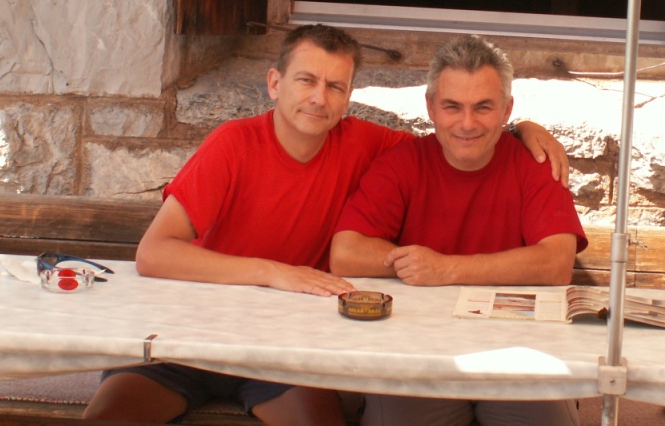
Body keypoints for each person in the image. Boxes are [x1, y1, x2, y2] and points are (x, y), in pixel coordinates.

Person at [82, 24, 569, 426]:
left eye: (335, 86)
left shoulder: (371, 145)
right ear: (275, 83)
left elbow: (455, 139)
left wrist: (520, 129)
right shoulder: (232, 144)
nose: (319, 98)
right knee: (107, 419)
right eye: (306, 80)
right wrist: (272, 272)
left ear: (348, 96)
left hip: (282, 349)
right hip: (185, 335)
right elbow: (154, 252)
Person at [331, 34, 588, 426]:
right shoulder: (402, 163)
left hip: (521, 353)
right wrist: (421, 266)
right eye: (452, 106)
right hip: (417, 351)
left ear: (507, 109)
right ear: (431, 107)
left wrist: (446, 269)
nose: (467, 124)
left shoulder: (536, 162)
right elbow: (345, 254)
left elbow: (556, 264)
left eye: (483, 107)